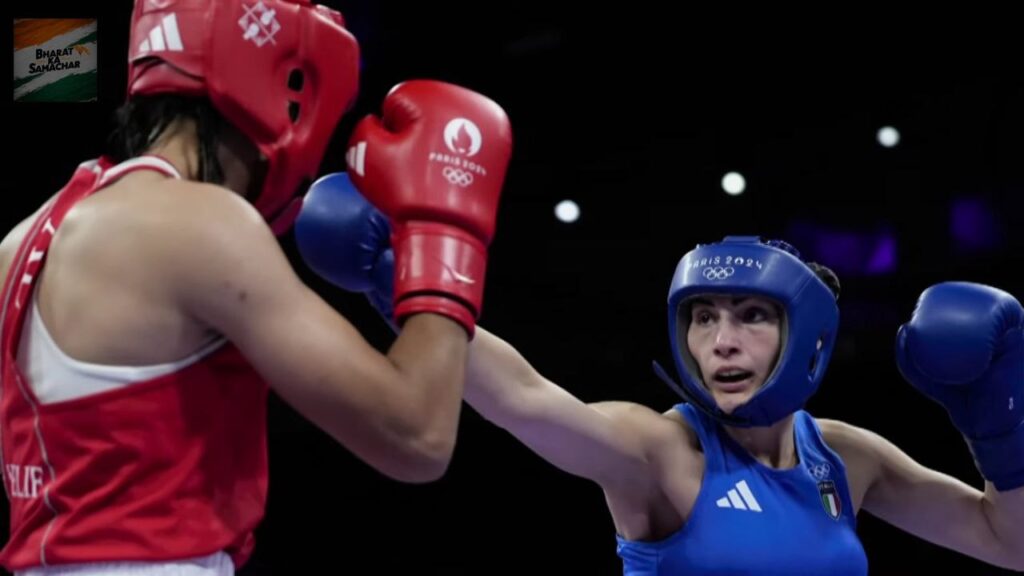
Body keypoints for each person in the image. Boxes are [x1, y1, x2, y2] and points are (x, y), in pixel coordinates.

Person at [0, 1, 513, 574]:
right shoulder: (203, 223)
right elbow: (417, 438)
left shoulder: (27, 235)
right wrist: (444, 231)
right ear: (291, 84)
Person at [295, 176, 1024, 575]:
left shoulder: (847, 457)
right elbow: (519, 397)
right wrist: (403, 286)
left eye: (750, 317)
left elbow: (1006, 542)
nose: (722, 342)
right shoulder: (658, 453)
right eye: (703, 318)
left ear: (807, 337)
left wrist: (999, 421)